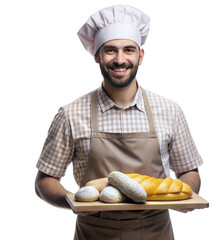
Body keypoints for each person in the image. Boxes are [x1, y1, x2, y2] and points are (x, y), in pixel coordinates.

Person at [35, 5, 203, 240]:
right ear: (96, 55)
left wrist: (183, 194)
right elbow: (45, 180)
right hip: (94, 232)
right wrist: (75, 200)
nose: (120, 59)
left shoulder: (170, 111)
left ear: (140, 56)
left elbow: (189, 172)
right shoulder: (71, 114)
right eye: (110, 51)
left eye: (129, 50)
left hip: (156, 232)